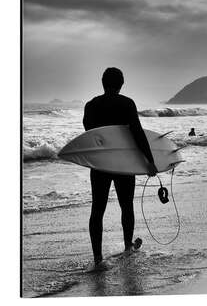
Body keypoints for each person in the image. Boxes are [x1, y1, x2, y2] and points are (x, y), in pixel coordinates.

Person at [83, 67, 158, 269]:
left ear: (103, 82)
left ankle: (97, 258)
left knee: (97, 209)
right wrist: (149, 161)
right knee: (127, 206)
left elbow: (89, 134)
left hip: (100, 164)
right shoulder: (126, 103)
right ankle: (127, 247)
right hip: (124, 163)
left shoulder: (91, 105)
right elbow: (137, 132)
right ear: (121, 84)